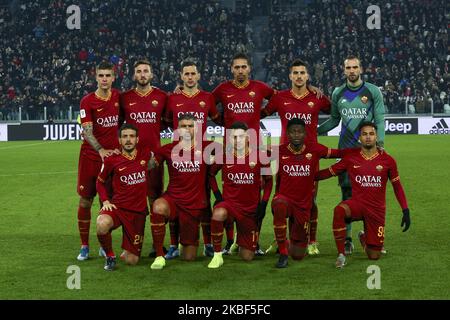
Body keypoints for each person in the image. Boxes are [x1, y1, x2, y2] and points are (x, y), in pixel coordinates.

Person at [316, 121, 410, 268]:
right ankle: (341, 254)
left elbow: (397, 186)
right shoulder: (351, 157)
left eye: (371, 134)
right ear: (359, 137)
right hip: (357, 204)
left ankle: (364, 238)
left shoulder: (388, 160)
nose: (368, 137)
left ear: (376, 136)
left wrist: (405, 210)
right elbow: (329, 172)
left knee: (374, 256)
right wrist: (306, 175)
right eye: (364, 134)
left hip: (377, 210)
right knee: (339, 210)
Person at [261, 59, 331, 255]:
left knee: (311, 200)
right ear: (290, 76)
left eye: (302, 73)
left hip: (310, 158)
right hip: (285, 158)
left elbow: (335, 112)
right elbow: (263, 113)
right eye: (296, 73)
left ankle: (312, 241)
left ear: (307, 76)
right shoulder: (280, 97)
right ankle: (281, 238)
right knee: (281, 201)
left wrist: (321, 132)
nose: (299, 76)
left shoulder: (317, 97)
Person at [317, 55, 386, 254]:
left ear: (361, 69)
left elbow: (380, 120)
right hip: (347, 153)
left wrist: (379, 143)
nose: (352, 71)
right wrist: (314, 131)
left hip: (368, 152)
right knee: (347, 194)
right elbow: (333, 121)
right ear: (344, 70)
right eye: (349, 68)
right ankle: (347, 239)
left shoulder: (372, 91)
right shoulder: (338, 92)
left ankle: (368, 235)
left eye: (355, 67)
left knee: (370, 196)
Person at [211, 53, 275, 255]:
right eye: (236, 67)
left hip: (255, 145)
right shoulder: (223, 89)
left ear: (249, 69)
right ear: (232, 69)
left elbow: (279, 98)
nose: (240, 70)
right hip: (231, 145)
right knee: (232, 190)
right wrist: (220, 120)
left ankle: (253, 239)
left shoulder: (259, 87)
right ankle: (231, 240)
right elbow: (206, 102)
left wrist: (262, 113)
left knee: (257, 190)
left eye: (243, 67)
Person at [163, 60, 221, 259]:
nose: (189, 77)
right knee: (175, 194)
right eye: (186, 73)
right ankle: (172, 245)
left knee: (204, 199)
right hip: (179, 154)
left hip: (201, 154)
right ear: (181, 76)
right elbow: (168, 122)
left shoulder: (208, 97)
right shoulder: (173, 98)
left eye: (192, 73)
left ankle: (208, 244)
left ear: (198, 76)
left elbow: (217, 118)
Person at [149, 114, 219, 269]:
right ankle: (159, 255)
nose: (186, 129)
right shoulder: (167, 149)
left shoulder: (209, 146)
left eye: (190, 126)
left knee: (189, 257)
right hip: (172, 199)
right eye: (183, 126)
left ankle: (181, 243)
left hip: (193, 205)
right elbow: (149, 166)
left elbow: (233, 155)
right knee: (158, 207)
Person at [272, 118, 341, 268]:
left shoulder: (314, 148)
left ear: (305, 134)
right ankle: (283, 252)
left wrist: (360, 150)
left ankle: (288, 242)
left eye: (300, 131)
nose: (296, 135)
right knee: (279, 204)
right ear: (288, 135)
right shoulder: (279, 150)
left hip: (303, 205)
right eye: (293, 132)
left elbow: (339, 153)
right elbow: (253, 153)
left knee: (297, 255)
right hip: (285, 199)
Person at [207, 121, 273, 269]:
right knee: (218, 213)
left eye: (241, 137)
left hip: (249, 210)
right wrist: (218, 196)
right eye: (234, 137)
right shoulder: (224, 156)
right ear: (229, 139)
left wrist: (263, 203)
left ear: (248, 137)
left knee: (247, 257)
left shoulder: (260, 157)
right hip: (230, 205)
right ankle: (217, 255)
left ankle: (239, 240)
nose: (238, 140)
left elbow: (269, 182)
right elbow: (210, 174)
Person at [120, 59, 168, 258]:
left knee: (155, 202)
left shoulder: (162, 97)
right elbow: (117, 125)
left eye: (145, 71)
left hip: (154, 159)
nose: (142, 74)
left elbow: (168, 122)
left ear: (151, 74)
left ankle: (158, 247)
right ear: (134, 75)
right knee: (131, 203)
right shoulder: (125, 98)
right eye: (138, 71)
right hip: (131, 161)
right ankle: (131, 243)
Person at [76, 61, 121, 261]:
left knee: (107, 202)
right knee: (86, 200)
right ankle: (84, 245)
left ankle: (104, 245)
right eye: (101, 75)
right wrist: (101, 149)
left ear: (113, 77)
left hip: (110, 160)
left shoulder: (118, 97)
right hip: (90, 157)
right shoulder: (87, 101)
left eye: (107, 75)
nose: (104, 79)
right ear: (96, 77)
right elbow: (87, 131)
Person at [96, 123, 151, 271]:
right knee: (102, 223)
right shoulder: (111, 160)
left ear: (137, 139)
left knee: (131, 261)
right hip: (118, 208)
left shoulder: (145, 155)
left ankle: (127, 251)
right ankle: (110, 255)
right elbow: (99, 182)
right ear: (119, 140)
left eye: (131, 136)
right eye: (125, 136)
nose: (128, 140)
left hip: (138, 212)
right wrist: (106, 201)